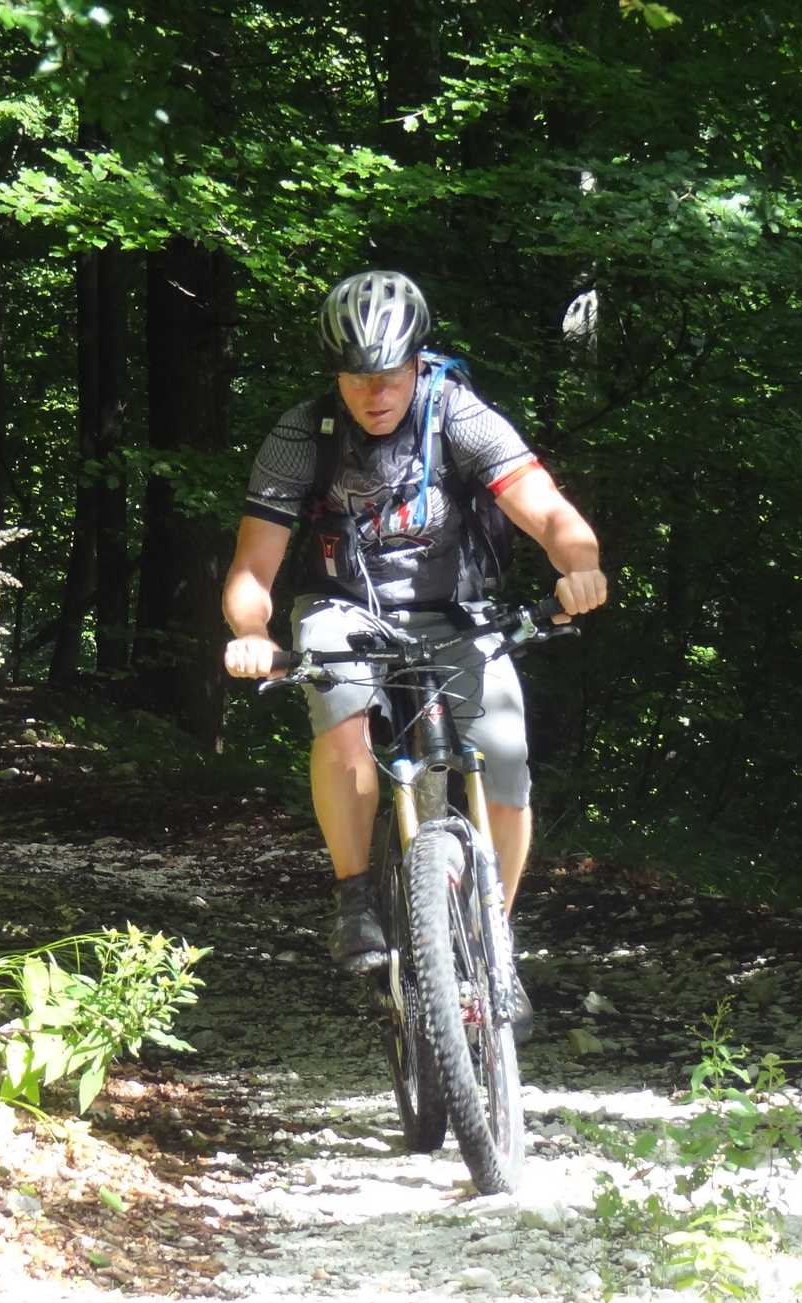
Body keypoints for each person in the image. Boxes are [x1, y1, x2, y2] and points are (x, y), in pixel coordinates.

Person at [221, 270, 607, 1031]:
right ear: (335, 375)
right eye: (357, 377)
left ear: (418, 362)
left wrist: (580, 566)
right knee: (340, 718)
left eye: (392, 375)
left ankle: (494, 939)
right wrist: (251, 634)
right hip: (345, 611)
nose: (376, 393)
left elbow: (546, 512)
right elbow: (253, 567)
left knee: (505, 763)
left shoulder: (458, 413)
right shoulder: (303, 434)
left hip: (457, 613)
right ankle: (356, 897)